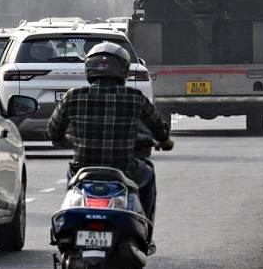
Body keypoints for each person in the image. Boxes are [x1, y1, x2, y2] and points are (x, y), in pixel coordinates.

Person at [47, 42, 173, 252]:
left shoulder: (73, 96)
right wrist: (165, 141)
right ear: (123, 70)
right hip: (125, 170)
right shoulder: (134, 98)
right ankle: (146, 233)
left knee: (71, 183)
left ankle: (69, 225)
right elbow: (158, 129)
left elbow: (53, 132)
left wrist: (65, 139)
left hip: (82, 170)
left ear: (89, 68)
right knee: (148, 174)